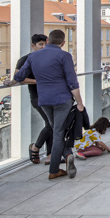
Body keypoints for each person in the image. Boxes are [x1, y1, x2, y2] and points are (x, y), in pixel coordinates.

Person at [14, 29, 84, 180]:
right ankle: (55, 168)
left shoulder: (33, 56)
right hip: (62, 99)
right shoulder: (65, 55)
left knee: (55, 129)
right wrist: (79, 102)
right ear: (63, 43)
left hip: (44, 100)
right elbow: (72, 82)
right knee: (58, 132)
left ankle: (66, 154)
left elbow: (19, 76)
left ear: (47, 41)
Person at [10, 34, 52, 165]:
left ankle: (50, 154)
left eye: (45, 44)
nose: (43, 47)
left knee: (51, 124)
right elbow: (18, 77)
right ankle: (37, 147)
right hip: (37, 96)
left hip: (52, 95)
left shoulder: (50, 57)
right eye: (40, 44)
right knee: (51, 124)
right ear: (33, 46)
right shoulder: (25, 59)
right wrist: (39, 81)